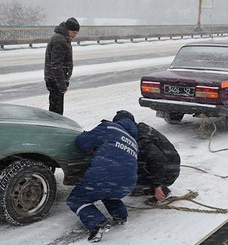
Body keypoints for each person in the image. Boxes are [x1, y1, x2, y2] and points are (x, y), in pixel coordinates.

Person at [66, 110, 138, 243]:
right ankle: (121, 216)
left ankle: (96, 223)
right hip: (128, 184)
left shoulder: (110, 127)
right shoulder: (133, 142)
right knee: (109, 194)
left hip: (104, 175)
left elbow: (81, 142)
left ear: (117, 120)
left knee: (76, 200)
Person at [133, 122, 181, 204]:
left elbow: (158, 160)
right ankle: (146, 187)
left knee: (134, 169)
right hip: (168, 163)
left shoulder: (141, 139)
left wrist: (157, 186)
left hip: (169, 170)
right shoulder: (139, 129)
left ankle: (161, 189)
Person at [44, 17, 80, 115]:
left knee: (55, 110)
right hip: (55, 81)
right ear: (68, 30)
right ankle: (54, 128)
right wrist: (62, 85)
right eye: (74, 33)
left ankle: (54, 127)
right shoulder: (60, 41)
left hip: (55, 80)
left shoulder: (62, 38)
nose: (75, 36)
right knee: (56, 112)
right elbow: (56, 65)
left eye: (76, 33)